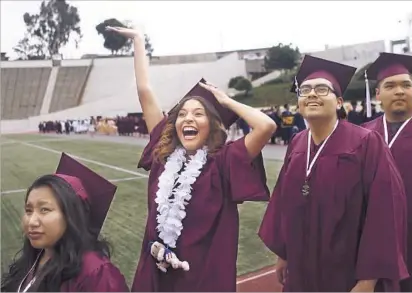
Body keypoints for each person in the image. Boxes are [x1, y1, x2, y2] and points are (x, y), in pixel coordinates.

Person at [105, 25, 276, 292]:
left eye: (198, 113)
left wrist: (226, 101)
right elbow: (145, 91)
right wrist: (139, 40)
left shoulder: (224, 162)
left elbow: (266, 126)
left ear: (212, 124)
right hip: (157, 273)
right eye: (182, 113)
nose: (188, 118)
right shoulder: (164, 155)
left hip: (202, 277)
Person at [258, 55, 409, 292]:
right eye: (305, 90)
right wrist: (284, 253)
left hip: (347, 271)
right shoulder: (297, 144)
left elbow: (384, 209)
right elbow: (283, 202)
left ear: (339, 102)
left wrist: (369, 278)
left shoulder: (366, 142)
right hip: (302, 268)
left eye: (321, 89)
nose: (311, 94)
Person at [361, 52, 412, 292]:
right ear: (378, 95)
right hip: (371, 241)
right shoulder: (360, 137)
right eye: (390, 86)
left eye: (406, 85)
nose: (399, 91)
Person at [1, 153, 129, 292]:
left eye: (44, 209)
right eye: (29, 210)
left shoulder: (97, 274)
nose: (31, 221)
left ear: (71, 215)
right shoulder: (36, 255)